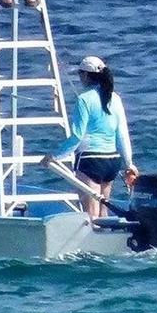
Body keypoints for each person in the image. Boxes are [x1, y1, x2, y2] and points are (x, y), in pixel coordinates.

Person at [41, 56, 139, 220]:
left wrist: (53, 156)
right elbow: (122, 134)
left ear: (85, 75)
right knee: (103, 212)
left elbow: (77, 136)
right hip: (112, 162)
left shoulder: (83, 99)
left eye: (80, 74)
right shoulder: (115, 98)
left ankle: (91, 246)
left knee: (91, 215)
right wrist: (129, 163)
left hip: (90, 161)